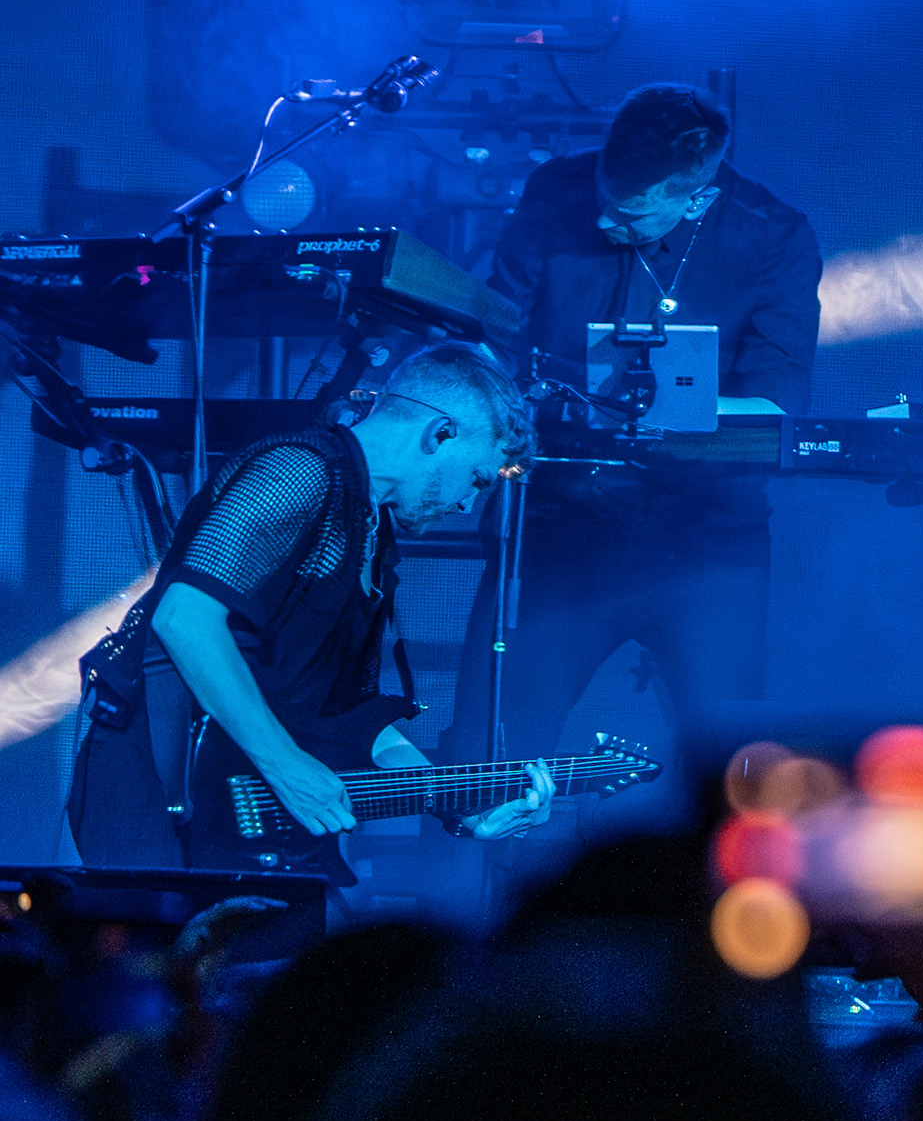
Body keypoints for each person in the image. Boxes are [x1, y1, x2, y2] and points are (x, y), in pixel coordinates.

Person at [69, 344, 559, 876]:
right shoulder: (301, 471)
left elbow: (347, 713)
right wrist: (286, 766)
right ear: (439, 434)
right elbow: (183, 617)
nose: (467, 503)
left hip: (244, 799)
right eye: (478, 479)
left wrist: (458, 804)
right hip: (161, 779)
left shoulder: (370, 526)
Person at [452, 83, 821, 764]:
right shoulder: (556, 189)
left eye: (628, 215)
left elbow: (776, 405)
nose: (602, 221)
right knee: (486, 750)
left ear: (696, 200)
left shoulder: (773, 235)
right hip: (559, 527)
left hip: (706, 540)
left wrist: (649, 408)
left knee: (734, 767)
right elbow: (495, 329)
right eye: (601, 196)